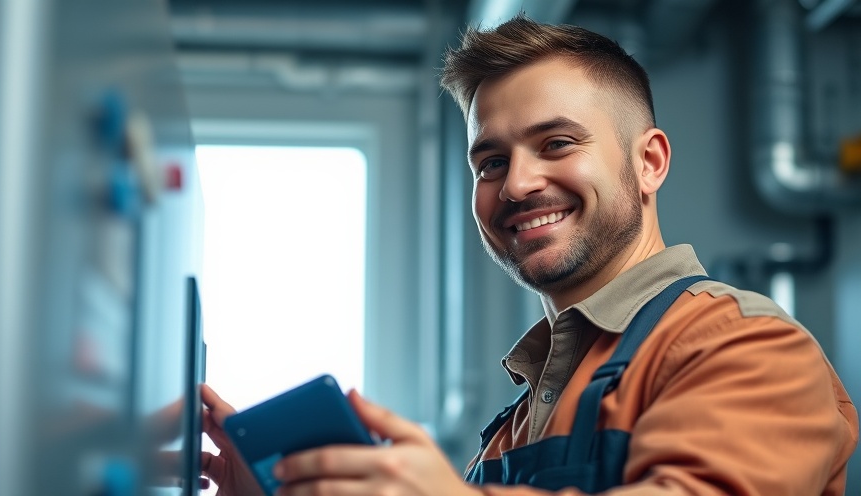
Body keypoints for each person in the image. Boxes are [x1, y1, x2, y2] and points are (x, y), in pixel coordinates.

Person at [198, 15, 859, 495]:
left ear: (649, 161)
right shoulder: (520, 416)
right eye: (491, 161)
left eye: (557, 143)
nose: (516, 184)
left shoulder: (743, 347)